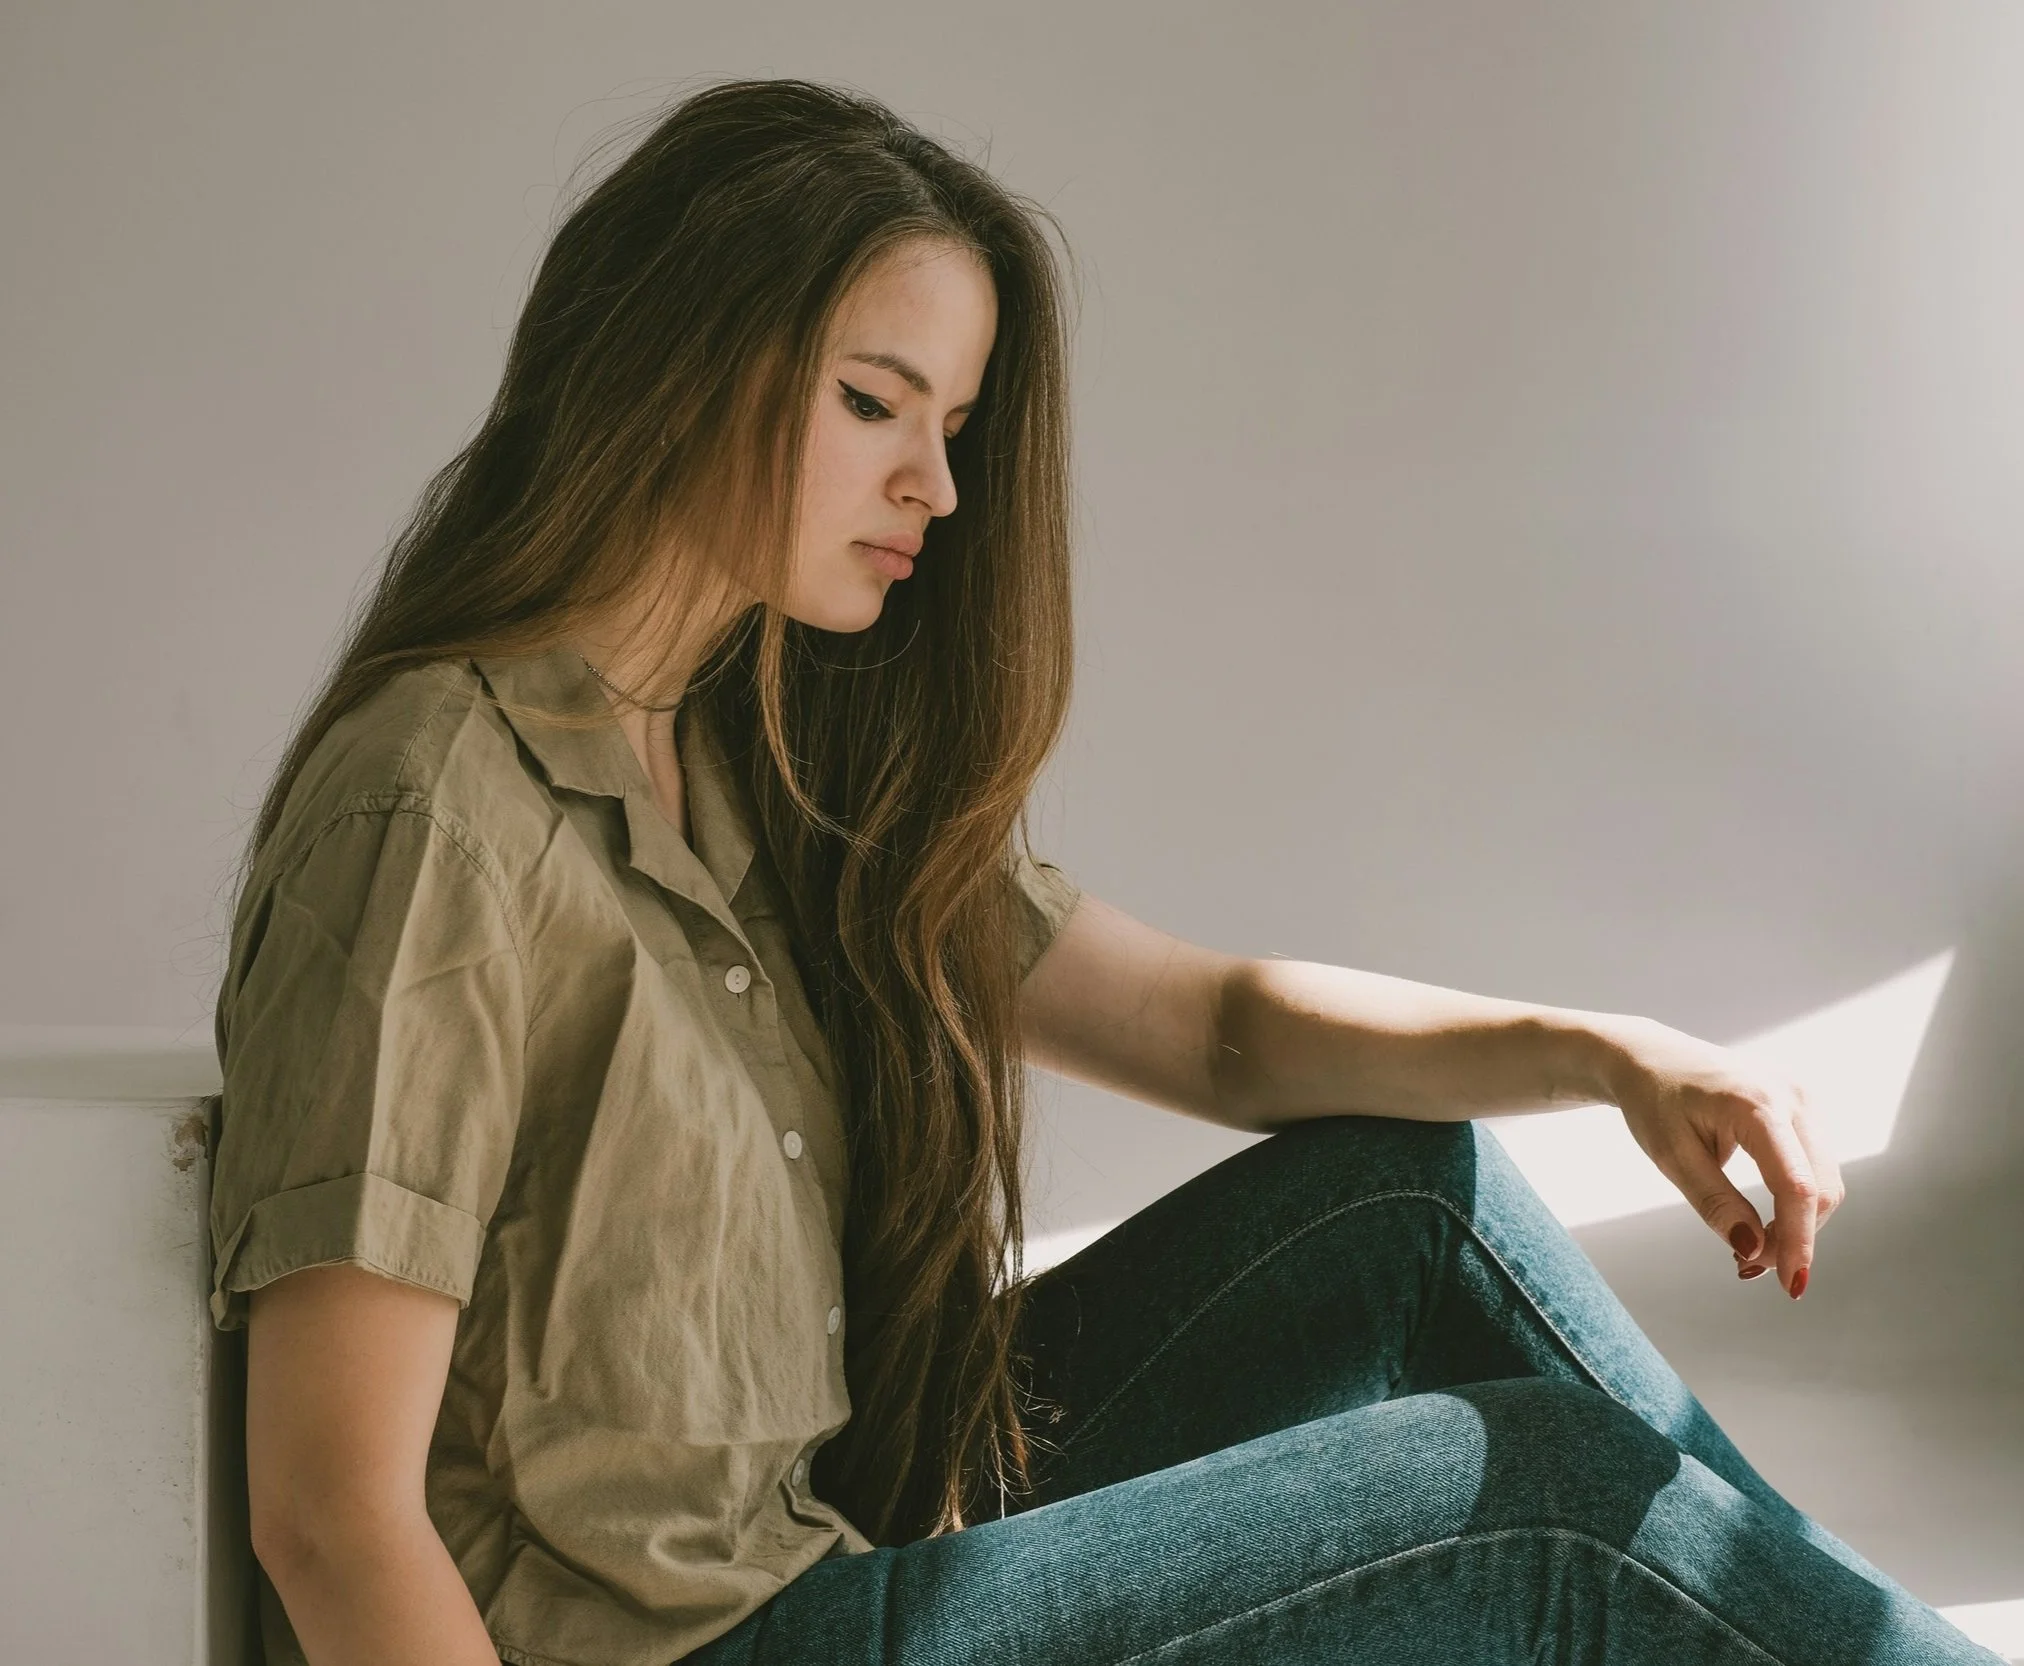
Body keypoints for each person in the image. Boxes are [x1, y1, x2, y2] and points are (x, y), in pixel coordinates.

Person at [206, 76, 2002, 1666]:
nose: (938, 487)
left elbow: (1210, 1029)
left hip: (835, 1548)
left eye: (954, 430)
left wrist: (1610, 1047)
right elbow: (331, 1510)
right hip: (718, 1645)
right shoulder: (434, 803)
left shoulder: (759, 765)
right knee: (1543, 1500)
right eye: (872, 403)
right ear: (681, 363)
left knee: (1412, 1200)